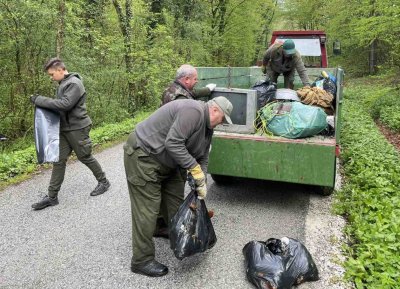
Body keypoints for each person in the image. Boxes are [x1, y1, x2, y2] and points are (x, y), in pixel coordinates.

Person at [123, 96, 233, 277]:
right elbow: (173, 142)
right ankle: (141, 260)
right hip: (144, 156)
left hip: (169, 162)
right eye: (222, 118)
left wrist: (201, 179)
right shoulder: (193, 111)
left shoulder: (208, 127)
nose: (221, 123)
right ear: (215, 110)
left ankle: (160, 228)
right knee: (147, 210)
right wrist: (193, 167)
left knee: (177, 207)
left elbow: (203, 156)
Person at [30, 58, 110, 210]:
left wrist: (40, 100)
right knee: (58, 161)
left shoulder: (74, 83)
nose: (51, 78)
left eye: (52, 74)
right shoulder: (63, 83)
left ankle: (104, 182)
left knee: (85, 156)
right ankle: (52, 197)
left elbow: (65, 105)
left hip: (77, 128)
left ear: (61, 70)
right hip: (65, 128)